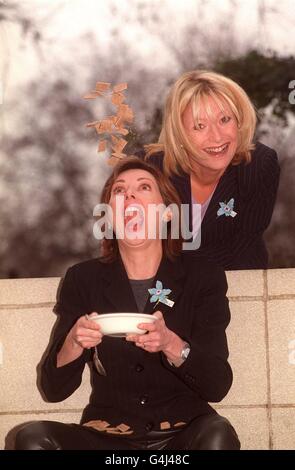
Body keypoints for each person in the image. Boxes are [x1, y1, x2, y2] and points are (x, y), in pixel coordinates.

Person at [14, 157, 240, 450]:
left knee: (218, 435)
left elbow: (218, 385)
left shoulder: (202, 275)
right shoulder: (83, 279)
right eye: (119, 191)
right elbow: (53, 389)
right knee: (33, 438)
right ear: (109, 216)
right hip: (108, 437)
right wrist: (74, 341)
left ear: (168, 213)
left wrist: (171, 344)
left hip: (182, 434)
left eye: (143, 187)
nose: (129, 194)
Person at [142, 70, 280, 270]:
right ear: (180, 133)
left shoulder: (259, 165)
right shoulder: (147, 171)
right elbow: (134, 254)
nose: (217, 137)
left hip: (236, 285)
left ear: (239, 121)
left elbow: (246, 247)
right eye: (199, 126)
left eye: (225, 120)